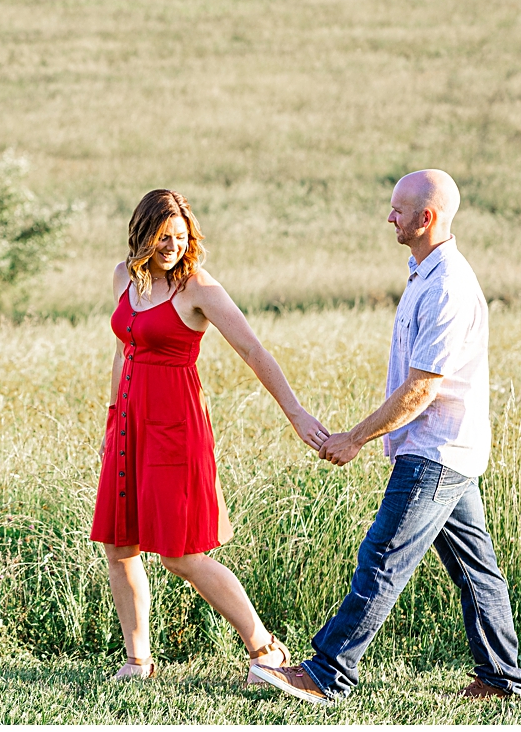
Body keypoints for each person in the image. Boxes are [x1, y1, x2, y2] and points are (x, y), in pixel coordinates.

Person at [250, 169, 521, 705]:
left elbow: (422, 387)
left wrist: (354, 438)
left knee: (383, 558)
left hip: (436, 451)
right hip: (450, 449)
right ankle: (502, 679)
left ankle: (328, 673)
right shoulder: (424, 272)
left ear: (426, 218)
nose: (390, 217)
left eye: (399, 210)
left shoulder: (447, 285)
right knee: (477, 570)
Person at [94, 188, 330, 681]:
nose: (172, 247)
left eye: (180, 238)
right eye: (163, 237)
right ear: (143, 235)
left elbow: (254, 351)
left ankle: (266, 649)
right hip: (130, 425)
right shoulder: (124, 277)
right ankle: (137, 662)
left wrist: (296, 414)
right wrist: (112, 419)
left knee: (180, 553)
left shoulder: (197, 288)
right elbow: (123, 348)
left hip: (175, 429)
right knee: (120, 546)